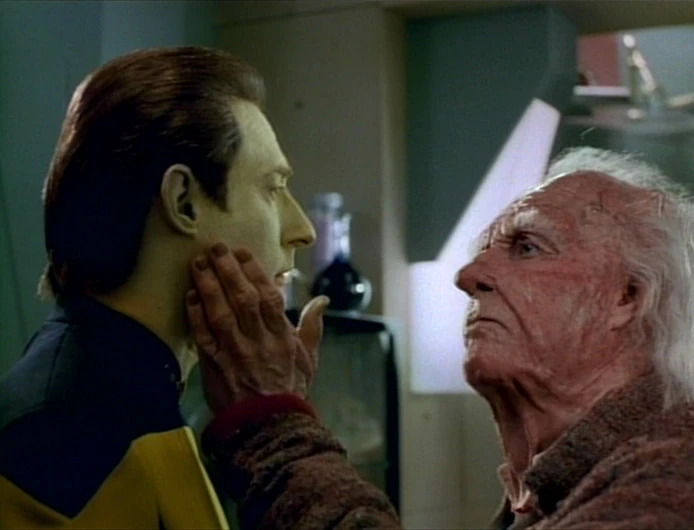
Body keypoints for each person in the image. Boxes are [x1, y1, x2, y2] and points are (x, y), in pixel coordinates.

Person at [187, 147, 694, 530]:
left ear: (628, 296)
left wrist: (271, 423)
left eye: (527, 247)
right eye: (485, 251)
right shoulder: (556, 490)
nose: (467, 276)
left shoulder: (673, 477)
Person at [0, 46, 329, 528]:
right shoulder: (72, 444)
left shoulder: (113, 408)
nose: (304, 230)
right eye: (273, 188)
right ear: (184, 201)